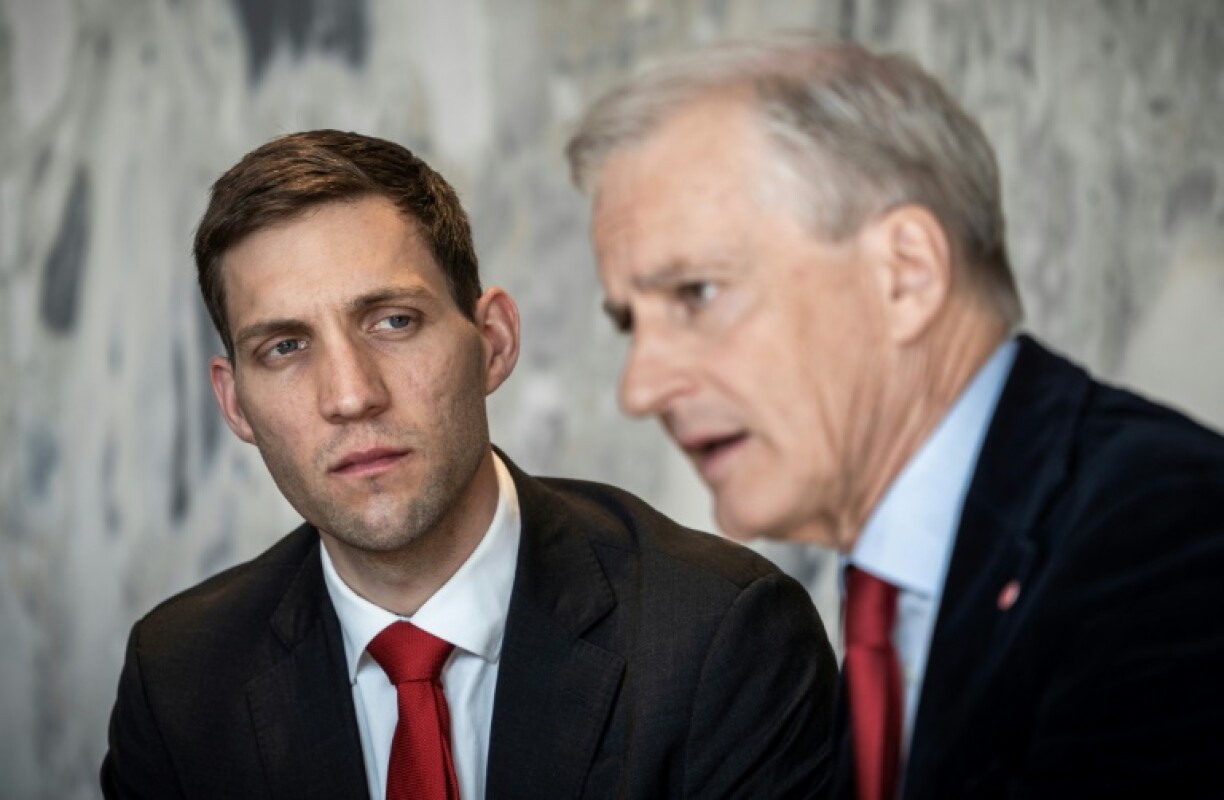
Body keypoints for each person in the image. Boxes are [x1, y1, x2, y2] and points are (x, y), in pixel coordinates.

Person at [566, 34, 1224, 799]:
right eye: (630, 323)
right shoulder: (895, 588)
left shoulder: (1163, 535)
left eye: (697, 294)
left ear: (906, 274)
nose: (640, 387)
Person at [100, 130, 837, 799]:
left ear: (492, 340)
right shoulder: (179, 678)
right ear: (235, 405)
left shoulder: (723, 638)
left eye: (393, 322)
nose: (352, 395)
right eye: (286, 347)